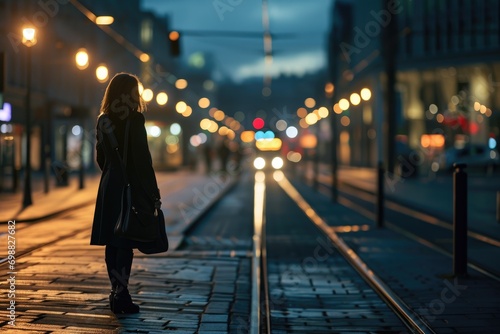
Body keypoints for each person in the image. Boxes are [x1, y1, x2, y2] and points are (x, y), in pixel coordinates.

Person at [91, 73, 161, 314]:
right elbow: (143, 161)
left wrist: (113, 175)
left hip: (109, 186)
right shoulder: (135, 119)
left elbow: (101, 158)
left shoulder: (103, 119)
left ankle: (115, 293)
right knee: (125, 242)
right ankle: (122, 296)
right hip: (129, 187)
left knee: (112, 241)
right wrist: (153, 193)